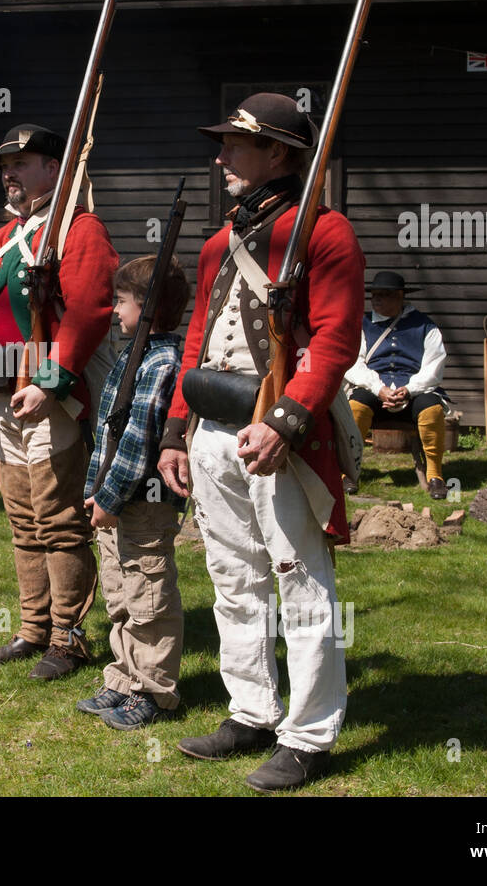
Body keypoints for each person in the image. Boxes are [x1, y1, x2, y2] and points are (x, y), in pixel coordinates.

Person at [156, 93, 363, 791]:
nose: (221, 159)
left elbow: (335, 338)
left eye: (235, 147)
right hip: (214, 427)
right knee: (232, 579)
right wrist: (176, 431)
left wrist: (289, 420)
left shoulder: (324, 232)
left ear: (278, 154)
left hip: (279, 430)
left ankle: (308, 734)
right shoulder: (222, 241)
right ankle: (249, 708)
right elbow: (195, 341)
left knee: (300, 581)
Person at [0, 123, 118, 680]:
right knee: (23, 521)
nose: (9, 173)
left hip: (52, 397)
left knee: (59, 520)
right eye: (5, 165)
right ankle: (33, 629)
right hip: (3, 396)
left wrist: (49, 382)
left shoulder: (80, 229)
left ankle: (67, 638)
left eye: (22, 163)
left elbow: (91, 311)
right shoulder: (4, 240)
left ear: (56, 168)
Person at [79, 254, 189, 729]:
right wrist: (96, 491)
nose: (114, 311)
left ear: (147, 307)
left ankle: (154, 690)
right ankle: (124, 678)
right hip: (117, 502)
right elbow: (108, 434)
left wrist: (109, 496)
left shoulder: (161, 362)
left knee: (149, 600)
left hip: (141, 504)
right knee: (121, 595)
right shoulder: (134, 354)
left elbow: (139, 443)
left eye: (121, 302)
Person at [344, 270, 450, 500]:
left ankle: (435, 475)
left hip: (414, 391)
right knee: (355, 406)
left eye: (385, 295)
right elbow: (354, 363)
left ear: (400, 296)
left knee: (432, 409)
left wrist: (409, 389)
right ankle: (350, 472)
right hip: (375, 389)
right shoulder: (361, 325)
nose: (377, 299)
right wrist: (378, 388)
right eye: (374, 295)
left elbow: (434, 366)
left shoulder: (425, 326)